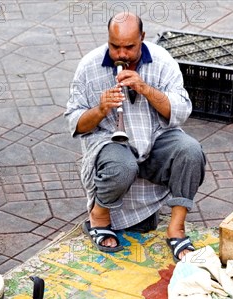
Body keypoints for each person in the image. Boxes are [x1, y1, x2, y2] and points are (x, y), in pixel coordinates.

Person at [64, 12, 206, 261]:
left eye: (129, 47)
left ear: (142, 38)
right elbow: (75, 124)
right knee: (122, 165)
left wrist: (145, 89)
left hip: (155, 139)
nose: (121, 55)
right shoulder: (89, 66)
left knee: (191, 151)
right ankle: (99, 216)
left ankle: (177, 228)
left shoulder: (162, 61)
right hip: (110, 142)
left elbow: (181, 112)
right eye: (114, 46)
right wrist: (100, 110)